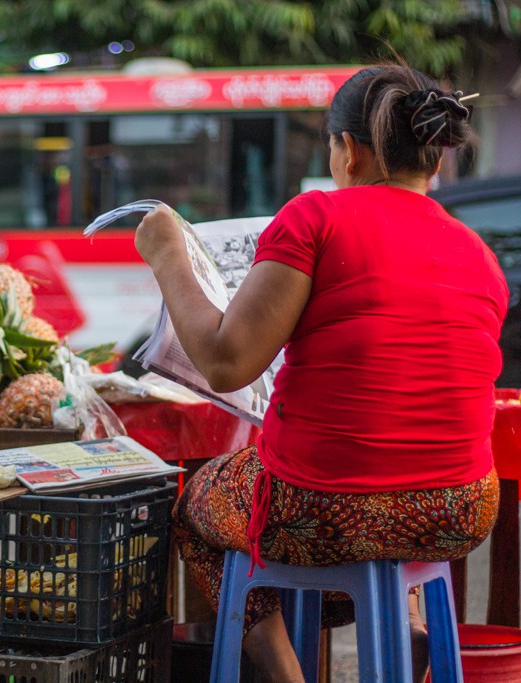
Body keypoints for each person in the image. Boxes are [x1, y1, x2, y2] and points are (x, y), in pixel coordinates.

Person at [134, 63, 506, 683]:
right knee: (367, 526)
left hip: (329, 502)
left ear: (349, 151)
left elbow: (227, 362)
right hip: (459, 508)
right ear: (433, 161)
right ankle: (405, 623)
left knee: (200, 508)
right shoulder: (479, 254)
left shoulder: (317, 218)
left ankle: (286, 674)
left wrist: (168, 254)